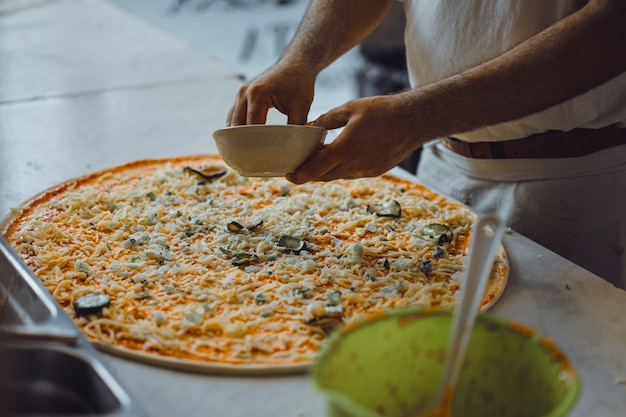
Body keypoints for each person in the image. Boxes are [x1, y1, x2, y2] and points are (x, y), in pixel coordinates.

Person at [227, 0, 626, 287]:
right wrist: (300, 58)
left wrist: (419, 116)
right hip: (441, 169)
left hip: (580, 185)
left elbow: (614, 26)